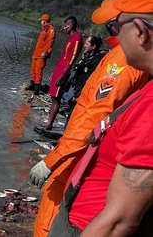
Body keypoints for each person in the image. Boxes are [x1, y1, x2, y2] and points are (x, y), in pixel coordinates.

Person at [48, 0, 153, 236]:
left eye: (117, 26)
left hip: (87, 224)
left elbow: (119, 222)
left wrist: (51, 161)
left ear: (140, 31)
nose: (114, 36)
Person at [30, 38, 148, 237]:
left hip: (80, 155)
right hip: (82, 151)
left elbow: (95, 115)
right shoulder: (123, 53)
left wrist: (52, 160)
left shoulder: (124, 58)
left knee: (52, 212)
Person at [41, 16, 83, 131]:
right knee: (53, 96)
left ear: (72, 25)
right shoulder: (69, 38)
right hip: (59, 69)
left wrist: (64, 74)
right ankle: (48, 121)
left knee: (56, 98)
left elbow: (72, 58)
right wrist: (55, 72)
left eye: (66, 26)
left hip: (64, 71)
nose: (64, 28)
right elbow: (63, 57)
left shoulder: (77, 37)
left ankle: (49, 124)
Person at [63, 35, 106, 116]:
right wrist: (69, 82)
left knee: (76, 111)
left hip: (86, 90)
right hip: (78, 85)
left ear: (93, 46)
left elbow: (92, 78)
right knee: (71, 108)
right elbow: (79, 71)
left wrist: (81, 92)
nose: (84, 45)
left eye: (86, 44)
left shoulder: (98, 60)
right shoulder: (86, 55)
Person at [25, 14, 56, 95]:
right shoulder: (44, 29)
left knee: (38, 71)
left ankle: (36, 89)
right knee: (33, 70)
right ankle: (32, 85)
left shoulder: (51, 29)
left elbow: (50, 42)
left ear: (45, 21)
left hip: (42, 55)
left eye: (41, 21)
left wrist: (45, 52)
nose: (40, 22)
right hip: (36, 53)